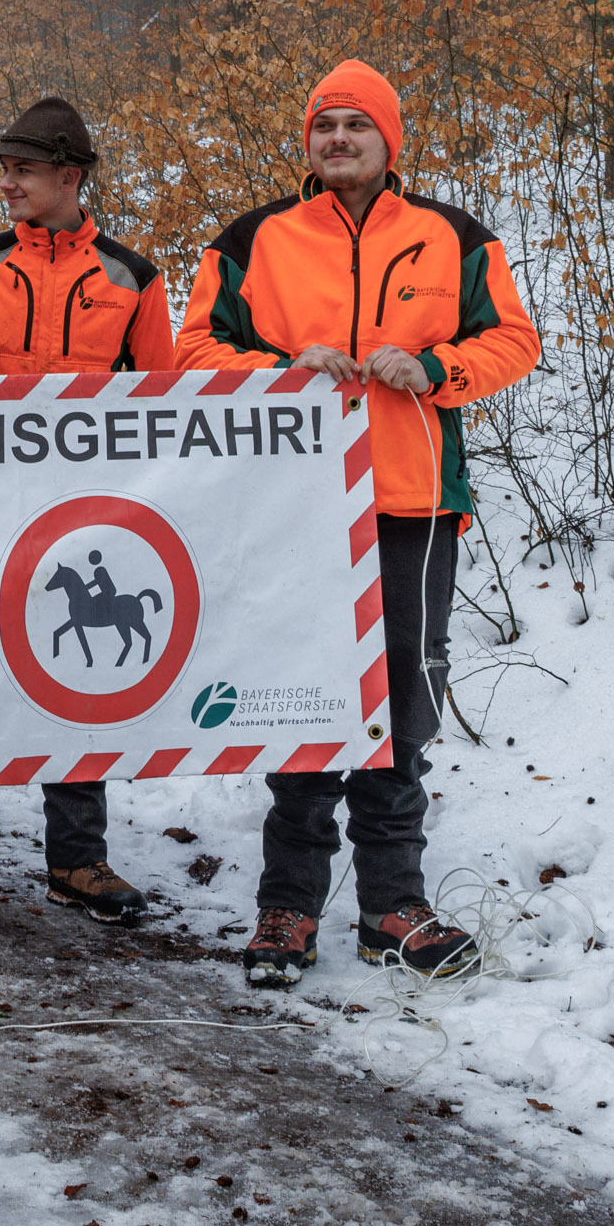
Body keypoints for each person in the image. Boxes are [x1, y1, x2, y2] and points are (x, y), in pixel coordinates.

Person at [176, 59, 539, 986]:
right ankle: (287, 905)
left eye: (356, 125)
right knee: (303, 701)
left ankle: (393, 906)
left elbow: (514, 340)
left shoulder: (450, 236)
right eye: (324, 124)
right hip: (291, 507)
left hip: (414, 503)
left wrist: (439, 368)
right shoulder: (254, 238)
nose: (338, 138)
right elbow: (192, 346)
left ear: (390, 140)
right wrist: (280, 366)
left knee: (402, 708)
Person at [0, 96, 168, 925]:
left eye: (22, 170)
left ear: (70, 175)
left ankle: (79, 860)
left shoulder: (133, 277)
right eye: (4, 169)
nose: (7, 184)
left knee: (79, 672)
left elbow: (167, 405)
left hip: (89, 511)